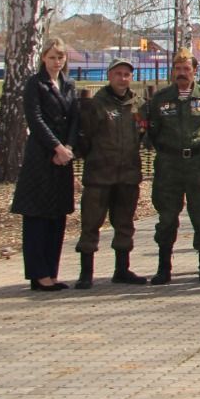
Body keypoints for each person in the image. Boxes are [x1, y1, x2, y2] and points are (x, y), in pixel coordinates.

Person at [146, 49, 200, 285]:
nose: (182, 73)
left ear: (194, 71)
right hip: (169, 165)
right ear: (172, 71)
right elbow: (153, 131)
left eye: (186, 69)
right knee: (167, 216)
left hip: (199, 164)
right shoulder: (161, 99)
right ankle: (163, 268)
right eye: (178, 69)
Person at [73, 59, 148, 288]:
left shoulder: (138, 105)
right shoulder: (96, 104)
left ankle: (122, 269)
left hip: (127, 175)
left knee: (124, 223)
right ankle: (86, 272)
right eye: (118, 74)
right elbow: (84, 137)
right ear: (109, 75)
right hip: (99, 175)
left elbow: (144, 134)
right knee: (91, 223)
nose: (122, 78)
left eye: (127, 74)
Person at [13, 38, 79, 291]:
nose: (56, 61)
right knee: (37, 216)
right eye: (52, 57)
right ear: (43, 58)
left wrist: (69, 147)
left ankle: (52, 270)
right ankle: (38, 274)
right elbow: (35, 119)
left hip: (63, 159)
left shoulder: (68, 85)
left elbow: (75, 120)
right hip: (42, 156)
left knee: (57, 216)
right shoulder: (35, 84)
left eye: (60, 57)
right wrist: (56, 147)